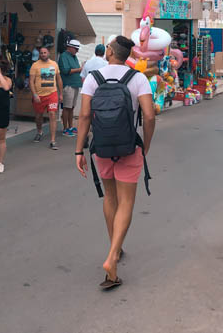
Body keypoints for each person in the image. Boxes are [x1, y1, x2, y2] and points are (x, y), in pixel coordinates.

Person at [75, 36, 156, 290]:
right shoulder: (138, 78)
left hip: (102, 147)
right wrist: (146, 145)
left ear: (109, 51)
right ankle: (112, 256)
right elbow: (149, 115)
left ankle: (115, 251)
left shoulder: (93, 78)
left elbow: (85, 115)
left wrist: (79, 150)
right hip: (129, 146)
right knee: (126, 202)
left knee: (109, 198)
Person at [29, 45, 63, 150]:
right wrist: (35, 94)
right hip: (39, 95)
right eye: (41, 53)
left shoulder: (54, 64)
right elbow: (31, 81)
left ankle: (53, 140)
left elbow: (59, 79)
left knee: (52, 114)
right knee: (39, 116)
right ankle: (39, 131)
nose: (43, 54)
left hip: (52, 94)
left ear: (48, 53)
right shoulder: (35, 65)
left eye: (45, 52)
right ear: (39, 55)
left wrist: (61, 93)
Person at [58, 39, 83, 137]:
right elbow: (65, 70)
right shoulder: (64, 56)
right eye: (76, 49)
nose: (77, 51)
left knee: (71, 107)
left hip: (75, 84)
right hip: (68, 85)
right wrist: (80, 69)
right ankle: (65, 128)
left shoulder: (74, 56)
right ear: (70, 47)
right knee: (66, 107)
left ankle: (70, 127)